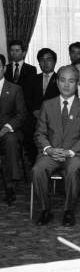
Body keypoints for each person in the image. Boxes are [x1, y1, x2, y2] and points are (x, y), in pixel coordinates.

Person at [32, 65, 80, 226]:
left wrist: (69, 152)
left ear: (77, 83)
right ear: (57, 83)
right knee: (37, 169)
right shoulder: (47, 105)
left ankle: (69, 211)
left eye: (71, 81)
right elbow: (39, 133)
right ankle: (45, 210)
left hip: (74, 154)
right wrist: (49, 149)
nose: (66, 85)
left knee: (73, 169)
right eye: (62, 80)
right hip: (51, 153)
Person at [0, 54, 27, 205]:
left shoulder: (15, 89)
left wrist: (6, 128)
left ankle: (10, 185)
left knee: (10, 140)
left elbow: (21, 114)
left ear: (4, 68)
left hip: (8, 131)